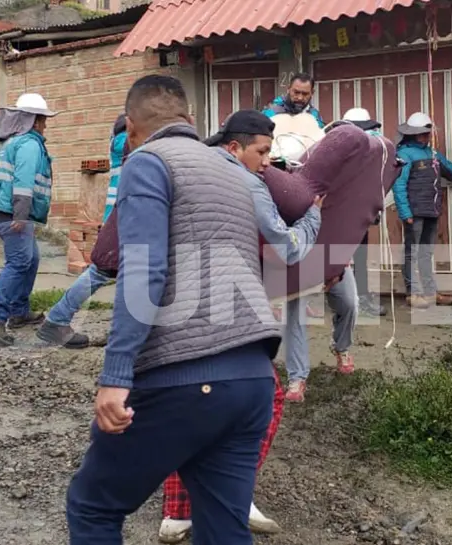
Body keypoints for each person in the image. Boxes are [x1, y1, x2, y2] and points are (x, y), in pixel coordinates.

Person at [65, 76, 280, 545]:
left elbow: (143, 271)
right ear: (190, 121)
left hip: (184, 379)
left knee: (93, 506)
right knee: (223, 528)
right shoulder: (234, 170)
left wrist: (116, 375)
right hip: (252, 380)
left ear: (133, 131)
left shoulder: (147, 161)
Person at [156, 109, 308, 541]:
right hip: (215, 307)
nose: (267, 162)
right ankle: (228, 493)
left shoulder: (196, 173)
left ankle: (183, 510)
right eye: (262, 152)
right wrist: (313, 216)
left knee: (194, 401)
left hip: (193, 301)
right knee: (261, 397)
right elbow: (288, 245)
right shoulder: (241, 182)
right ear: (234, 148)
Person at [35, 114, 128, 348]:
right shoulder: (129, 140)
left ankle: (123, 332)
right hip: (125, 218)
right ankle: (57, 320)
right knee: (103, 271)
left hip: (121, 217)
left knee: (121, 274)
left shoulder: (121, 139)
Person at [0, 93, 57, 346]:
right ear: (34, 120)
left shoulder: (10, 142)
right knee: (21, 261)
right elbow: (23, 183)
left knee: (30, 259)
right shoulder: (30, 144)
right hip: (15, 213)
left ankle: (19, 312)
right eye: (43, 119)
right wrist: (21, 216)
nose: (45, 124)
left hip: (6, 211)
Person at [392, 112, 452, 309]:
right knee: (411, 253)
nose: (425, 136)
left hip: (431, 211)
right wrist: (405, 213)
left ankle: (430, 293)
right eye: (421, 133)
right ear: (412, 134)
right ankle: (412, 294)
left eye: (427, 133)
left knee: (425, 254)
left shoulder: (432, 154)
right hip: (414, 214)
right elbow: (399, 185)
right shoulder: (404, 154)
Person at [335, 108, 387, 318]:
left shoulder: (370, 152)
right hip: (343, 214)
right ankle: (345, 300)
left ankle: (360, 298)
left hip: (359, 213)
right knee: (340, 258)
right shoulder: (340, 152)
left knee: (359, 257)